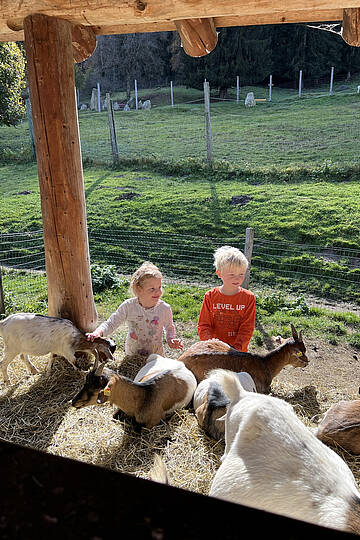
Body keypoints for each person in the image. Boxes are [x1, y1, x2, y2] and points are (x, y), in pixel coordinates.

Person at [86, 261, 183, 356]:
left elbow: (169, 327)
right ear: (139, 289)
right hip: (133, 356)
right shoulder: (129, 306)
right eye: (152, 289)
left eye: (159, 287)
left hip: (155, 357)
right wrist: (98, 332)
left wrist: (170, 339)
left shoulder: (164, 309)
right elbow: (111, 323)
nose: (158, 292)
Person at [197, 245, 256, 352]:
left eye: (241, 274)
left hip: (238, 353)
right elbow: (204, 325)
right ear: (219, 273)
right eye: (232, 274)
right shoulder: (210, 296)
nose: (237, 278)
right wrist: (211, 344)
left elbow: (247, 328)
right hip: (214, 351)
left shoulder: (249, 298)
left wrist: (236, 349)